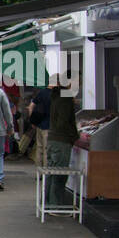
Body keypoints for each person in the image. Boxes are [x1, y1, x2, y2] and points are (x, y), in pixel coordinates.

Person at [46, 76, 79, 207]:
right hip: (62, 140)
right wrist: (73, 135)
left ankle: (47, 202)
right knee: (59, 175)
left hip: (53, 139)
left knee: (50, 172)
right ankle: (55, 204)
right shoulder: (66, 98)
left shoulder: (56, 96)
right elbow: (63, 122)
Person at [26, 83, 53, 165]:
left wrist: (33, 121)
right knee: (46, 149)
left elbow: (31, 106)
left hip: (39, 125)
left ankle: (39, 172)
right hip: (49, 126)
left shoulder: (41, 92)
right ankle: (46, 173)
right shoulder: (56, 94)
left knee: (39, 148)